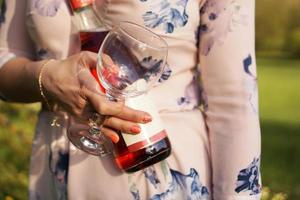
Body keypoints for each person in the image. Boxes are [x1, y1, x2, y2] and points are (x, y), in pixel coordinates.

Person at [0, 0, 261, 199]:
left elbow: (235, 100)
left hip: (165, 170)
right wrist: (45, 78)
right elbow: (4, 62)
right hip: (56, 166)